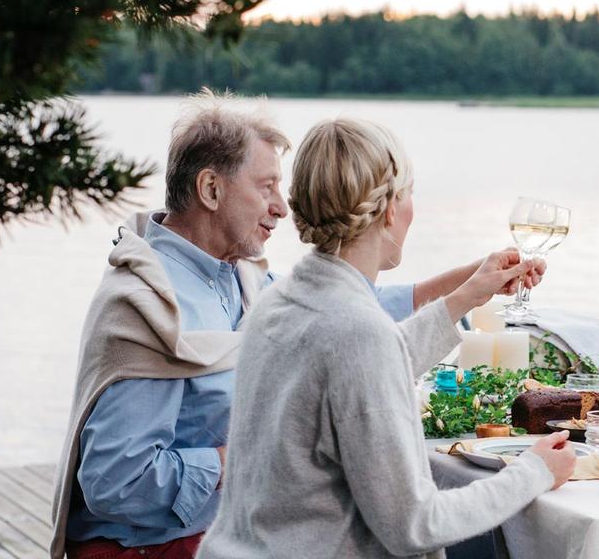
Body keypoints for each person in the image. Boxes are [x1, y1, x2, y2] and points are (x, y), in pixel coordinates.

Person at [50, 94, 542, 559]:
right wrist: (245, 453)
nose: (281, 206)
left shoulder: (244, 282)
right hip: (153, 548)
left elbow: (348, 327)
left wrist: (470, 288)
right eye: (266, 186)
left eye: (283, 187)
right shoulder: (151, 303)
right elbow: (116, 484)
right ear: (210, 189)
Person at [197, 118, 575, 559]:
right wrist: (532, 472)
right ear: (391, 209)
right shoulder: (356, 333)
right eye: (409, 193)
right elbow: (415, 526)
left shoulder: (277, 302)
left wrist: (465, 297)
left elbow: (362, 369)